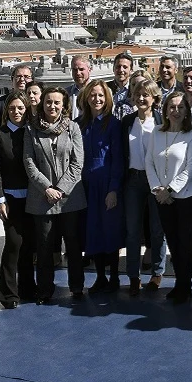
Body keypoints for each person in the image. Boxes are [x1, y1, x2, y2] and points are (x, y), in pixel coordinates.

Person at [24, 87, 87, 303]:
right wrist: (47, 188)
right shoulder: (31, 129)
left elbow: (78, 163)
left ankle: (77, 287)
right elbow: (29, 162)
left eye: (57, 103)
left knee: (73, 244)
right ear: (42, 104)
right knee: (44, 246)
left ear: (64, 105)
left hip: (69, 198)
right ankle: (44, 290)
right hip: (42, 198)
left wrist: (60, 189)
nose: (52, 106)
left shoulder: (73, 128)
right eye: (49, 102)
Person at [147, 91, 192, 304]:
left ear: (186, 111)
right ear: (165, 110)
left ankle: (185, 285)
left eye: (180, 107)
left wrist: (170, 190)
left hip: (185, 196)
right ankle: (178, 282)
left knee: (184, 242)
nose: (176, 111)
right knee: (172, 241)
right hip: (161, 197)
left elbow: (191, 167)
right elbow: (149, 162)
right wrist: (158, 190)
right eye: (172, 107)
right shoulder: (156, 133)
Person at [78, 80, 124, 293]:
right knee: (93, 230)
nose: (97, 99)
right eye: (93, 95)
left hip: (106, 183)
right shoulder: (80, 124)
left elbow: (117, 159)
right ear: (86, 97)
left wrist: (113, 188)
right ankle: (99, 277)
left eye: (101, 96)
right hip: (86, 185)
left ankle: (114, 276)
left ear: (107, 99)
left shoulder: (113, 124)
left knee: (110, 230)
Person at [121, 79, 166, 295]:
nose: (141, 98)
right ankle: (133, 275)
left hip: (156, 180)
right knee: (132, 231)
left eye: (146, 95)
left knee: (157, 230)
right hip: (133, 180)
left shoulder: (161, 121)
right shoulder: (127, 122)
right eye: (137, 94)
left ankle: (157, 272)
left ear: (154, 98)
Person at [0, 90, 33, 308]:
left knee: (29, 246)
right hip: (10, 200)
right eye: (12, 108)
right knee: (14, 244)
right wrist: (0, 199)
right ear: (7, 110)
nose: (16, 112)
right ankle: (8, 294)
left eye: (21, 108)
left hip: (33, 198)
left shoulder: (32, 132)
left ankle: (27, 289)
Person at [0, 63, 33, 133]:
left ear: (32, 80)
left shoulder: (35, 102)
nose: (22, 79)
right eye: (18, 76)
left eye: (26, 76)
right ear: (12, 80)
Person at [107, 51, 135, 119]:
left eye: (125, 67)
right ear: (113, 69)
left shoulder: (135, 89)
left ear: (131, 70)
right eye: (118, 66)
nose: (121, 70)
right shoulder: (105, 88)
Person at [66, 55, 92, 119]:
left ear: (90, 69)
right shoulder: (66, 93)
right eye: (74, 70)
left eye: (81, 69)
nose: (78, 73)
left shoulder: (101, 92)